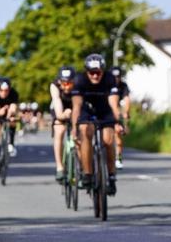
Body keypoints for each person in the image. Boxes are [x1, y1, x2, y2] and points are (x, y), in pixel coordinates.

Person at [71, 54, 123, 195]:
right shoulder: (79, 80)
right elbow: (76, 106)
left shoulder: (109, 79)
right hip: (86, 109)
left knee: (108, 140)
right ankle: (87, 173)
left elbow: (114, 103)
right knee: (85, 131)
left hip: (104, 109)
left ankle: (111, 176)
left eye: (98, 72)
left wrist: (119, 121)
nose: (95, 76)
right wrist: (74, 127)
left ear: (103, 71)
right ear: (87, 72)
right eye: (92, 73)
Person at [0, 77, 20, 180]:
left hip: (8, 114)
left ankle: (11, 143)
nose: (4, 93)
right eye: (2, 90)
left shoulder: (14, 93)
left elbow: (14, 107)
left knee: (13, 120)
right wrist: (2, 111)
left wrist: (10, 112)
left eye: (6, 90)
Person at [50, 65, 75, 183]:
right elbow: (57, 105)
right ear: (59, 81)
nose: (66, 87)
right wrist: (62, 115)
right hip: (60, 107)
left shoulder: (79, 85)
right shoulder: (54, 86)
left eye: (69, 84)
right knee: (59, 130)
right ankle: (60, 167)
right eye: (64, 83)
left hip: (75, 106)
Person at [110, 66, 132, 168]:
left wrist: (126, 114)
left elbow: (127, 100)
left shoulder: (123, 86)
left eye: (118, 76)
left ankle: (118, 157)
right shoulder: (106, 84)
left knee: (118, 132)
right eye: (114, 77)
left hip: (117, 111)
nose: (116, 79)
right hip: (105, 109)